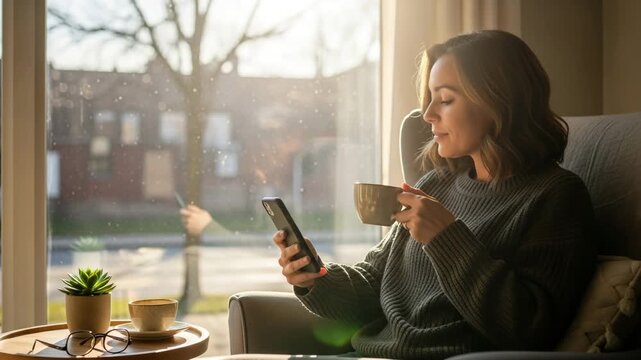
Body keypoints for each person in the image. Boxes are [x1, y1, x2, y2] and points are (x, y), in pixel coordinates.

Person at [272, 30, 597, 359]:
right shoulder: (434, 184)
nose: (427, 114)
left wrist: (446, 238)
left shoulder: (557, 197)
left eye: (445, 99)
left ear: (499, 101)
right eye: (428, 97)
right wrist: (315, 277)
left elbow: (530, 329)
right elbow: (374, 286)